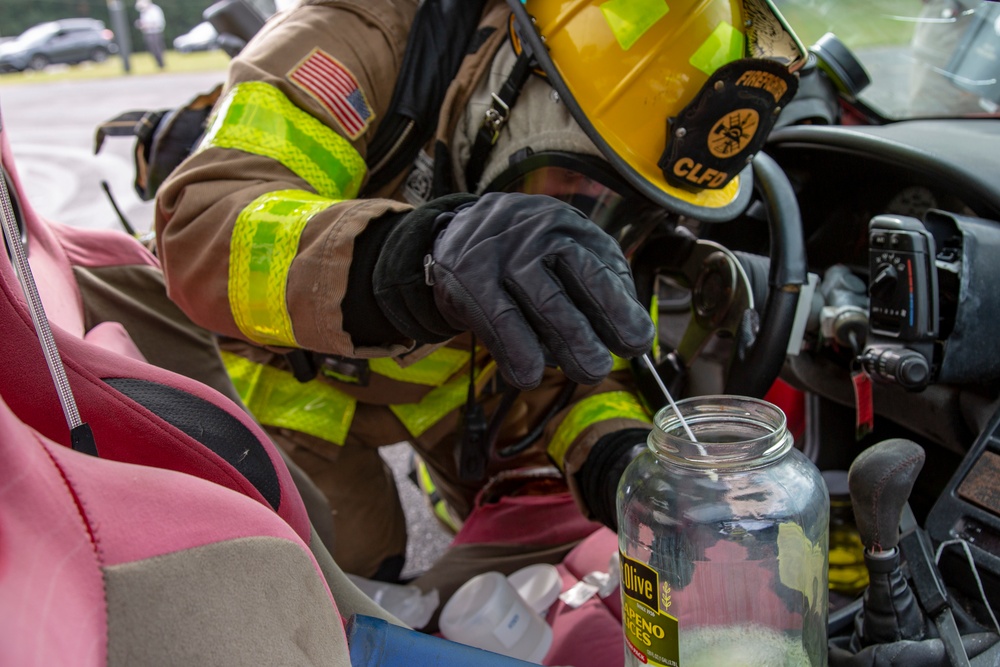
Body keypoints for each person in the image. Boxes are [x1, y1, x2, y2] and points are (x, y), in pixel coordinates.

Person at [153, 0, 807, 605]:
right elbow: (201, 228)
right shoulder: (364, 35)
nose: (589, 221)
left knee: (523, 535)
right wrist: (416, 258)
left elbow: (592, 370)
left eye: (624, 208)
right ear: (507, 90)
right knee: (332, 569)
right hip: (279, 373)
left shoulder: (613, 208)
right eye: (571, 182)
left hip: (446, 394)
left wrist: (622, 463)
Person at [135, 0, 166, 69]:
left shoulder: (155, 10)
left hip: (155, 32)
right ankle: (158, 64)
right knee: (152, 49)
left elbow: (158, 23)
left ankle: (162, 64)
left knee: (157, 49)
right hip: (147, 32)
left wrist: (147, 25)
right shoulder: (143, 12)